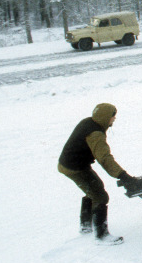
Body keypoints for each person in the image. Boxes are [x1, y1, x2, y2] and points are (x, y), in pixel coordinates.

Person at [57, 103, 133, 244]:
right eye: (112, 116)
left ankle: (86, 225)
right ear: (105, 117)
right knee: (100, 196)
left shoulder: (88, 122)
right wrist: (122, 175)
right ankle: (101, 236)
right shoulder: (95, 134)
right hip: (74, 167)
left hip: (70, 164)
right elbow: (104, 158)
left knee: (94, 187)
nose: (114, 119)